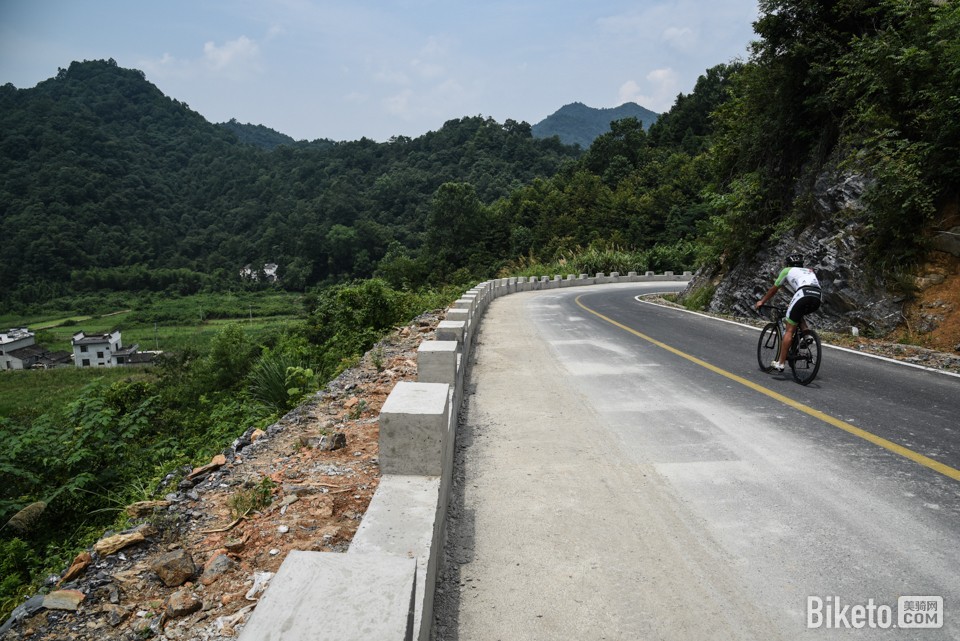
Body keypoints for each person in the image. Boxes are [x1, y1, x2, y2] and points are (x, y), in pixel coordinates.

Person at [754, 253, 821, 372]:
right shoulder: (809, 271)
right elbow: (807, 287)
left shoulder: (787, 270)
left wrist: (762, 301)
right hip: (817, 297)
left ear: (789, 264)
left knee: (789, 330)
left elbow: (774, 289)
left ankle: (780, 363)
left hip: (803, 294)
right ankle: (806, 336)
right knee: (798, 313)